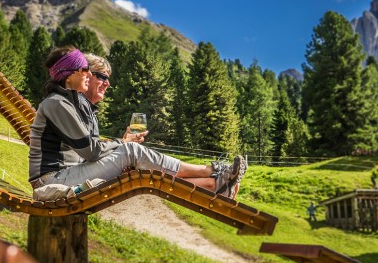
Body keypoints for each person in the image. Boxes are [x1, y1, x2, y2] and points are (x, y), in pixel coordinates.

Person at [28, 46, 247, 199]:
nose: (107, 82)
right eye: (89, 72)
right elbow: (91, 151)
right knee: (132, 152)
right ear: (69, 75)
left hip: (69, 173)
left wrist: (120, 144)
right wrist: (122, 143)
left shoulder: (75, 105)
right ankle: (211, 172)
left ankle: (213, 185)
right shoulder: (58, 102)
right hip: (52, 180)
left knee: (133, 163)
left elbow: (89, 150)